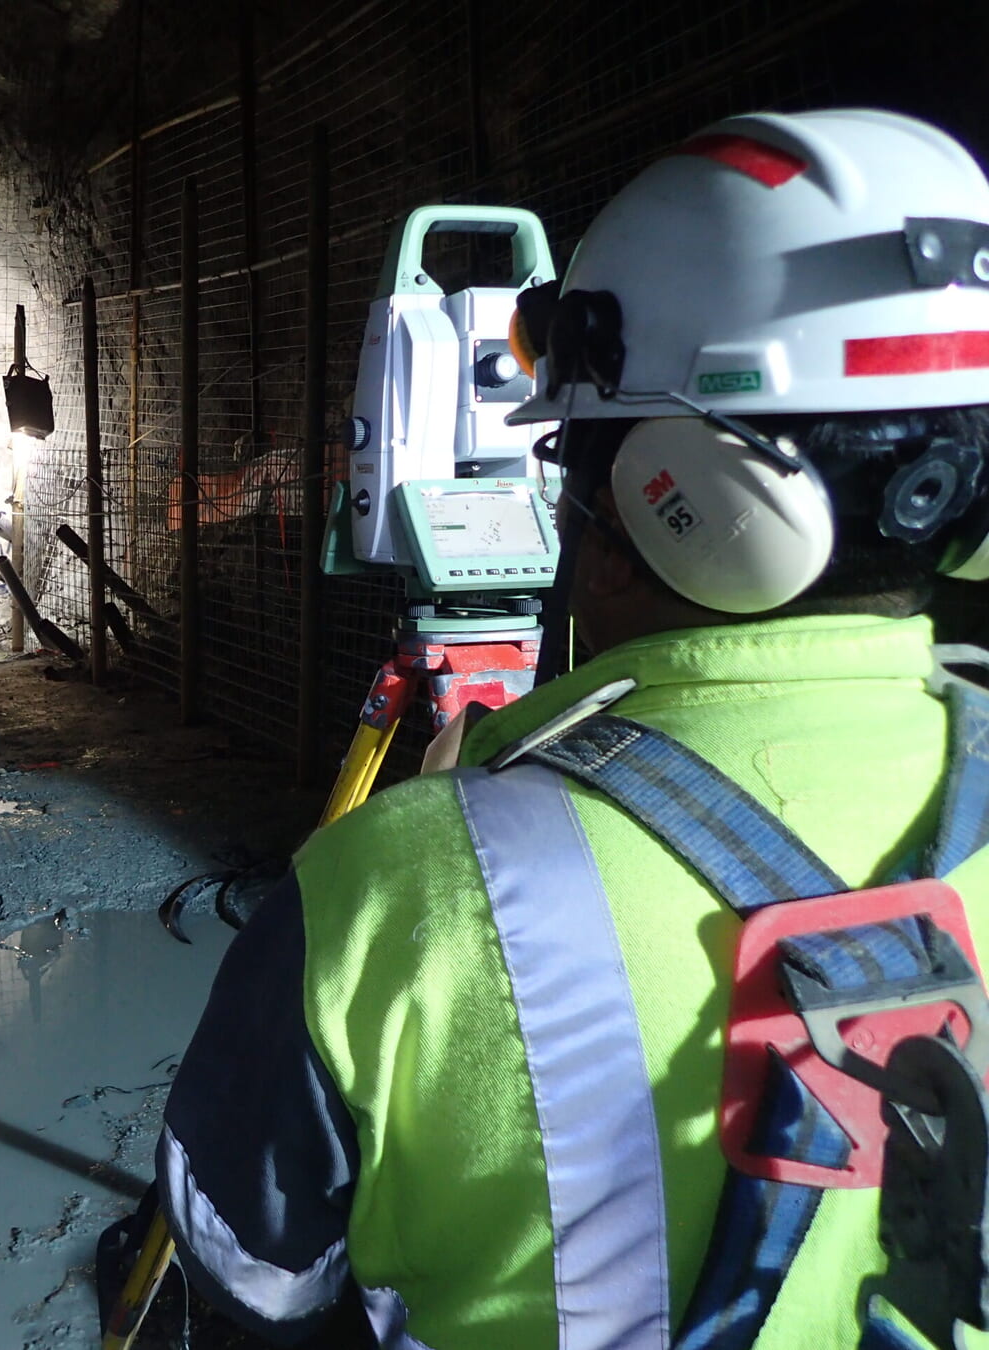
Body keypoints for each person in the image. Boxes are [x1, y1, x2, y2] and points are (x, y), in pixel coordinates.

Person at [152, 109, 989, 1350]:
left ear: (678, 497)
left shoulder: (401, 891)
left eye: (578, 455)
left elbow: (247, 1273)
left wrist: (446, 822)